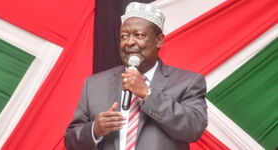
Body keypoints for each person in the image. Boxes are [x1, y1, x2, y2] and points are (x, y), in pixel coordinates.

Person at [65, 2, 207, 150]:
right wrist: (94, 130)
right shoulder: (94, 84)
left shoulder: (188, 82)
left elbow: (193, 129)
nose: (130, 42)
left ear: (159, 40)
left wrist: (147, 93)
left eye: (139, 35)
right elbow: (70, 141)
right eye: (124, 36)